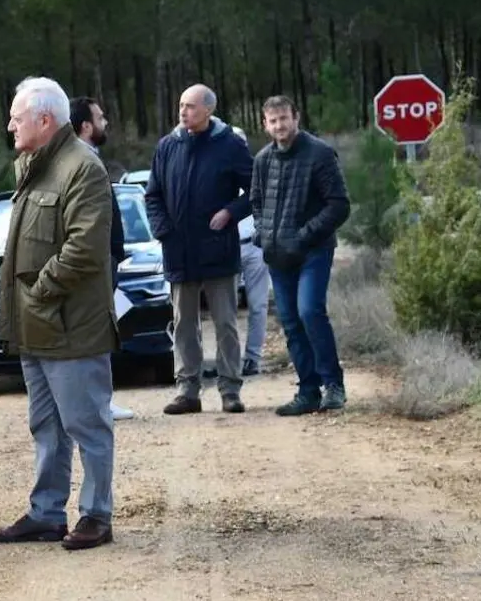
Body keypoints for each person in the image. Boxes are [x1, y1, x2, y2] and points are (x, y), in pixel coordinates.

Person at [0, 77, 118, 551]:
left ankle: (96, 516)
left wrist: (39, 293)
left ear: (44, 120)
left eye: (16, 117)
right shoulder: (31, 165)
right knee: (45, 426)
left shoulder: (82, 168)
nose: (10, 125)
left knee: (87, 425)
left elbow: (85, 247)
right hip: (35, 326)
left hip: (70, 325)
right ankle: (46, 513)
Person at [144, 84, 253, 415]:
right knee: (183, 325)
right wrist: (164, 231)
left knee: (225, 324)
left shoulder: (230, 145)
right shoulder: (167, 147)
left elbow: (254, 190)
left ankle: (230, 389)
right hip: (179, 252)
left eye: (190, 106)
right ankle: (187, 390)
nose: (183, 111)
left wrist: (229, 212)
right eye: (180, 105)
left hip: (218, 250)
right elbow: (153, 196)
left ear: (208, 110)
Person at [251, 95, 351, 415]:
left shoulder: (320, 153)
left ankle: (333, 384)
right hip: (278, 255)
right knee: (291, 322)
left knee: (309, 311)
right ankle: (308, 390)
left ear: (297, 117)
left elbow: (339, 205)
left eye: (284, 118)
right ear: (265, 125)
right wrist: (265, 235)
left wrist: (304, 235)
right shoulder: (263, 160)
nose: (279, 125)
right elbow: (256, 203)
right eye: (273, 120)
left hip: (314, 251)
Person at [71, 96, 132, 421]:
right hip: (96, 264)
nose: (105, 122)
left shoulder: (90, 158)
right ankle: (98, 404)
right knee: (96, 334)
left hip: (105, 260)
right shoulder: (81, 162)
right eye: (100, 117)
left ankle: (99, 401)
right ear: (85, 126)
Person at [203, 125, 270, 379]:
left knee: (258, 305)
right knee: (224, 309)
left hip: (254, 246)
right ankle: (226, 361)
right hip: (226, 246)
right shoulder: (215, 175)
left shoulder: (256, 173)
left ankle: (253, 358)